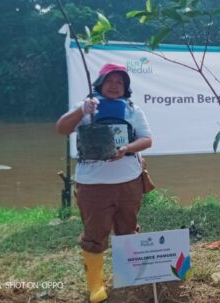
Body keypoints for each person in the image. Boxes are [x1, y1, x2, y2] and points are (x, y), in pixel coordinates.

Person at [55, 63, 152, 303]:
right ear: (100, 83)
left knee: (128, 229)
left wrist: (126, 149)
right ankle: (96, 285)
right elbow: (61, 129)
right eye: (110, 81)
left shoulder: (133, 109)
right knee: (95, 233)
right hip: (93, 185)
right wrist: (81, 111)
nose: (115, 86)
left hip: (129, 182)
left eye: (120, 82)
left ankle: (128, 277)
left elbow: (147, 139)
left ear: (125, 88)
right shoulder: (86, 107)